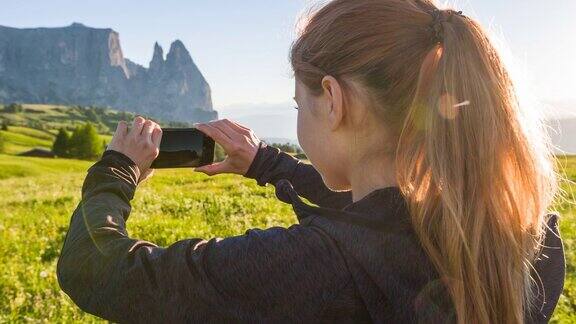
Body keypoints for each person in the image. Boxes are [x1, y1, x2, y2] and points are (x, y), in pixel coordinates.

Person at [57, 0, 565, 323]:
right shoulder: (523, 240)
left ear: (333, 99)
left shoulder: (312, 265)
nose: (300, 118)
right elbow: (380, 221)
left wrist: (117, 171)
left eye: (300, 106)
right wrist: (264, 164)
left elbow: (94, 269)